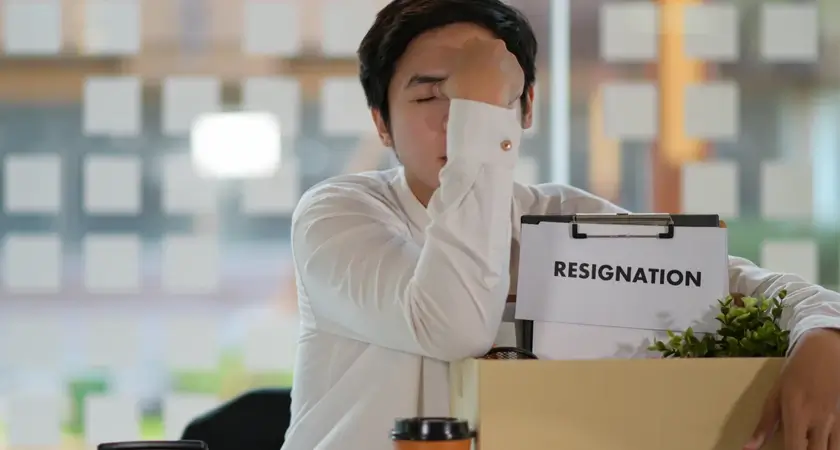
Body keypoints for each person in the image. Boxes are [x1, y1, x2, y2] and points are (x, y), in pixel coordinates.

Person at [284, 1, 840, 449]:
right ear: (381, 122)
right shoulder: (338, 215)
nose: (458, 120)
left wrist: (823, 333)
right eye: (432, 95)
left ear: (526, 110)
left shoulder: (559, 219)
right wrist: (483, 117)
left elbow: (739, 286)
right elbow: (453, 326)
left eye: (486, 100)